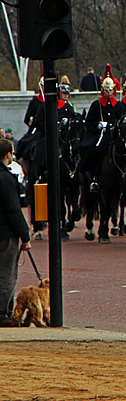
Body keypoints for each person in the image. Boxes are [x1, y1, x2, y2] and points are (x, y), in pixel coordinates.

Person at [0, 138, 31, 327]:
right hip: (5, 233)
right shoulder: (6, 177)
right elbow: (13, 210)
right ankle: (3, 312)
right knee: (6, 273)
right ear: (8, 154)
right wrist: (25, 235)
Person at [78, 65, 121, 192]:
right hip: (100, 135)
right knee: (96, 149)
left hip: (114, 135)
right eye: (106, 90)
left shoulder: (118, 105)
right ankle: (95, 177)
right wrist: (97, 126)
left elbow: (123, 119)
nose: (109, 92)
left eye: (111, 89)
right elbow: (89, 123)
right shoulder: (96, 105)